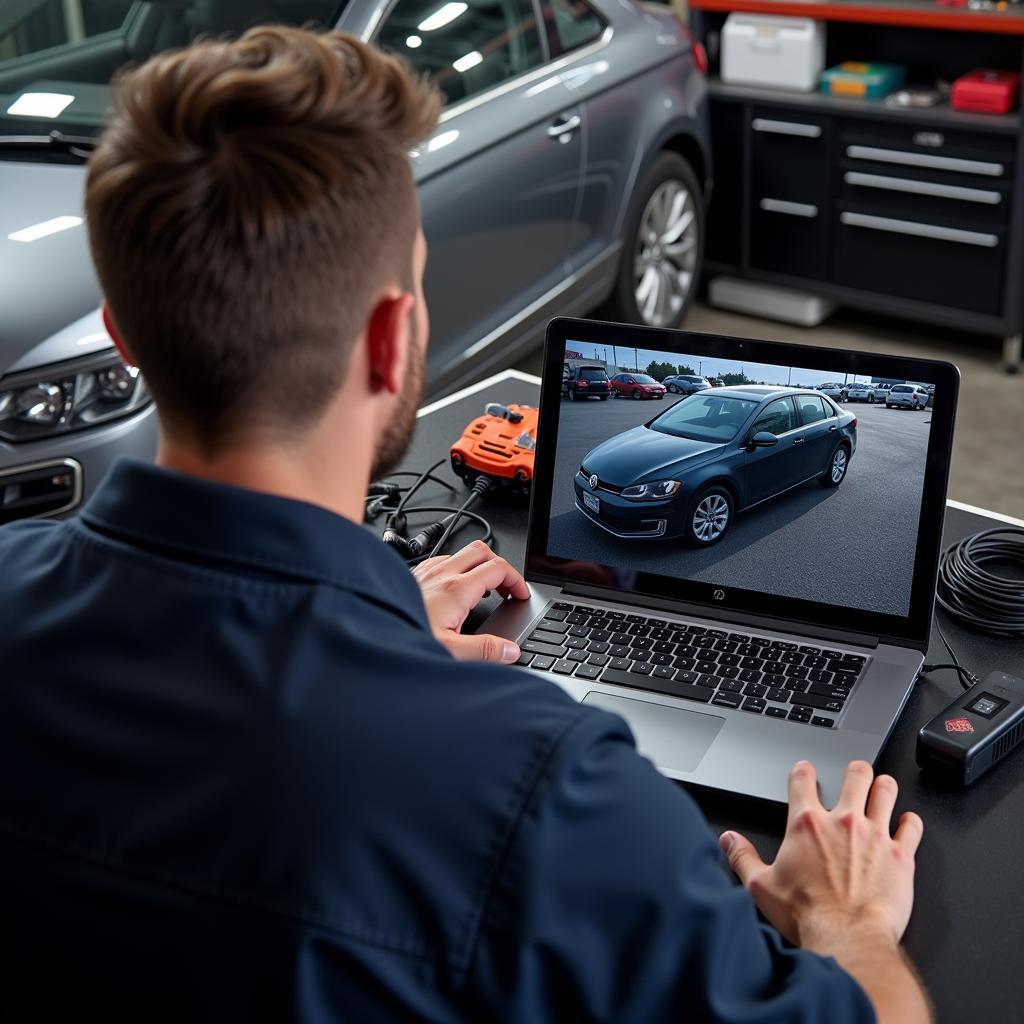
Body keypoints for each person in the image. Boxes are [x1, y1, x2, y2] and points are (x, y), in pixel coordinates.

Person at [0, 27, 931, 1023]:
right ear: (394, 338)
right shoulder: (542, 790)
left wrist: (366, 623)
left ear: (122, 333)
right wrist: (854, 926)